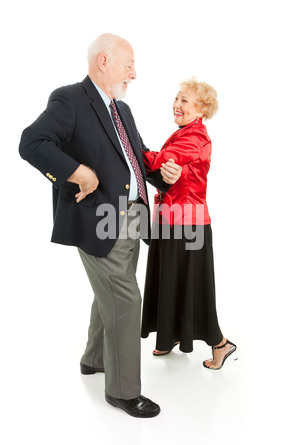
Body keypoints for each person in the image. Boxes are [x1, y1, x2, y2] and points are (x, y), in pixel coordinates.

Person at [19, 33, 182, 418]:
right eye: (129, 65)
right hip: (98, 219)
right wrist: (77, 173)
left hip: (132, 218)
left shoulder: (122, 110)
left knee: (110, 289)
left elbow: (136, 159)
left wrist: (163, 175)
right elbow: (32, 143)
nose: (135, 74)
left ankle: (94, 358)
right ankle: (123, 390)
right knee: (126, 298)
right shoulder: (69, 99)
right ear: (104, 62)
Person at [141, 77, 237, 370]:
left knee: (193, 286)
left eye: (185, 100)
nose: (177, 104)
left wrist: (132, 149)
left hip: (188, 224)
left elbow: (162, 160)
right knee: (170, 279)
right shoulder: (184, 132)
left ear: (201, 110)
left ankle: (221, 344)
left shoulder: (196, 137)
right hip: (172, 220)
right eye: (177, 98)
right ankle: (169, 336)